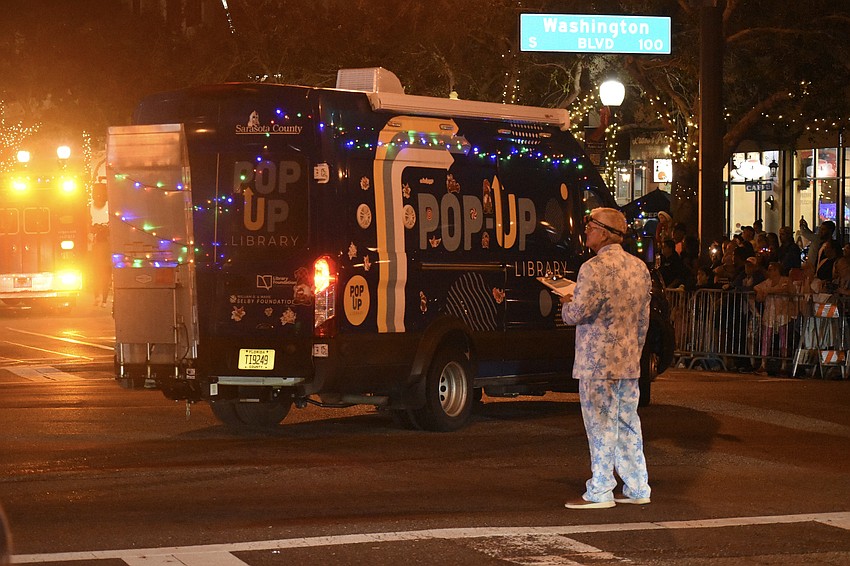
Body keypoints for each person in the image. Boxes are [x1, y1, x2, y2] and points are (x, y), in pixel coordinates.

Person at [560, 208, 651, 509]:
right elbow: (643, 321)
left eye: (590, 226)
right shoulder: (640, 269)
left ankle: (600, 490)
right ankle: (637, 486)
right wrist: (635, 353)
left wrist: (565, 303)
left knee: (600, 425)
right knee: (627, 423)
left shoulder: (592, 268)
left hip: (597, 361)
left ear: (604, 231)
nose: (586, 231)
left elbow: (579, 313)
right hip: (627, 360)